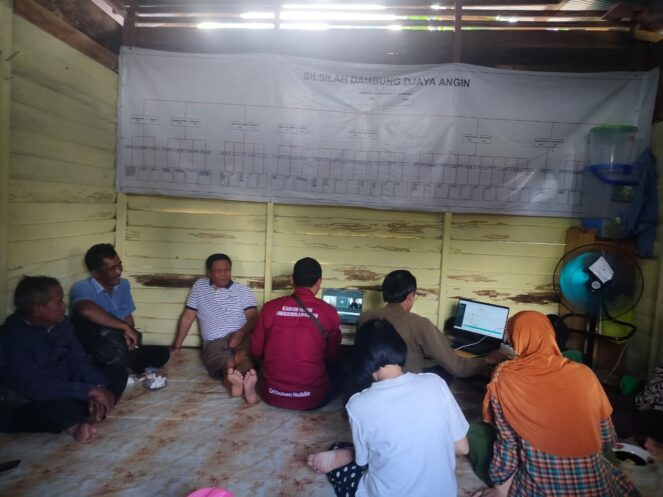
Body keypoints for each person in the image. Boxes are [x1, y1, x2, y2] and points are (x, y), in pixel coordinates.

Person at [473, 311, 640, 497]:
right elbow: (607, 439)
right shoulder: (585, 374)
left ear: (515, 339)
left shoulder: (504, 377)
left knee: (476, 434)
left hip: (536, 489)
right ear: (550, 334)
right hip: (596, 486)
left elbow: (507, 443)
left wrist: (499, 484)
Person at [307, 319, 469, 497]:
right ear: (399, 347)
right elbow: (462, 447)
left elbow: (363, 461)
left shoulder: (357, 404)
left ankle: (343, 455)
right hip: (445, 493)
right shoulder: (435, 382)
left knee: (344, 452)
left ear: (360, 357)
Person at [0, 276, 127, 443]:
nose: (64, 306)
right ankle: (75, 426)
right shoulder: (14, 337)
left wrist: (99, 387)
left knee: (117, 373)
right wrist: (87, 391)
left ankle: (93, 411)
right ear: (38, 309)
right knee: (58, 407)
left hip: (64, 388)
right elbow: (35, 388)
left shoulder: (61, 324)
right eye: (59, 301)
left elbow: (78, 361)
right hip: (28, 401)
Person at [357, 270, 502, 382]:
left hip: (367, 383)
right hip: (406, 387)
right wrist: (486, 360)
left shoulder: (365, 317)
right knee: (445, 370)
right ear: (411, 295)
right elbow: (456, 366)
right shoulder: (418, 323)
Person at [250, 257, 341, 410]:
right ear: (319, 281)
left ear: (292, 279)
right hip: (311, 398)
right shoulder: (329, 312)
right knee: (345, 369)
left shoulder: (270, 308)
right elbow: (333, 356)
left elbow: (255, 350)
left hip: (272, 394)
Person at [172, 253, 259, 404]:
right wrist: (177, 346)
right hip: (215, 341)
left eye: (227, 270)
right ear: (209, 272)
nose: (224, 274)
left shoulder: (243, 290)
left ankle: (243, 385)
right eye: (219, 271)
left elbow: (254, 318)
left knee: (244, 357)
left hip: (241, 336)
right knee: (227, 365)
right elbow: (188, 317)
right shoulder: (199, 287)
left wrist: (240, 333)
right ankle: (240, 385)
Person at [70, 244, 170, 373]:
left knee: (162, 353)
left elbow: (127, 316)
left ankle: (122, 360)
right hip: (98, 344)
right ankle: (117, 363)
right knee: (82, 321)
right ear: (96, 273)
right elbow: (86, 310)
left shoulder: (123, 284)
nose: (118, 271)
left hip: (118, 341)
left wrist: (129, 335)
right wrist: (124, 327)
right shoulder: (82, 286)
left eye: (119, 265)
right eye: (112, 268)